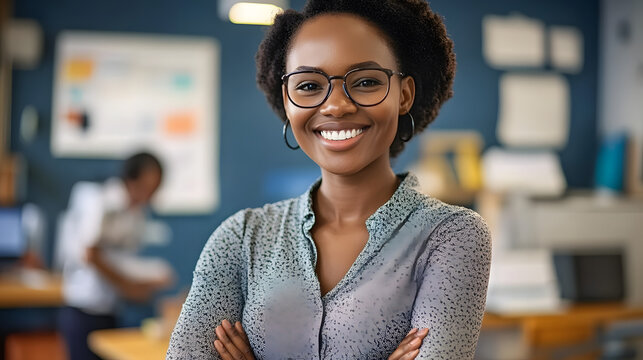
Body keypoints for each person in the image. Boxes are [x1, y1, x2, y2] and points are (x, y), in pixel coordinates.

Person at [167, 0, 491, 358]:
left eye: (366, 81)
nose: (336, 106)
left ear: (405, 95)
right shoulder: (241, 239)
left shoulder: (451, 236)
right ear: (287, 104)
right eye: (308, 85)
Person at [58, 152, 171, 360]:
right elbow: (89, 254)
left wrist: (147, 280)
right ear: (132, 178)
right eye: (150, 184)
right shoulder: (99, 198)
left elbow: (123, 261)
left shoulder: (137, 214)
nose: (153, 193)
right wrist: (128, 286)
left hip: (111, 310)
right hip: (83, 308)